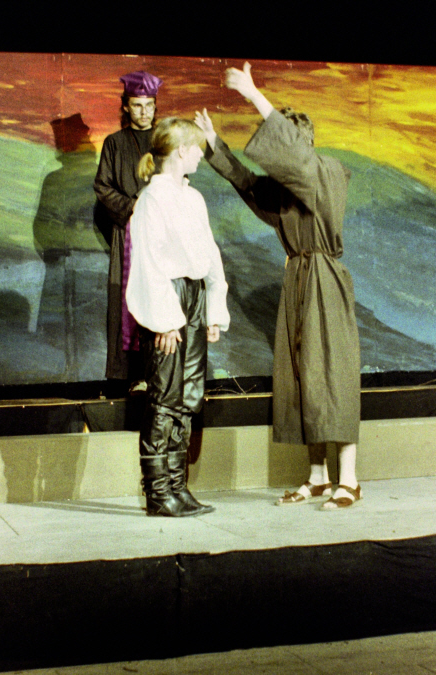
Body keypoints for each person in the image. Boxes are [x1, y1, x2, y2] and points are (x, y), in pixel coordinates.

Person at [195, 62, 361, 510]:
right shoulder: (288, 195)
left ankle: (350, 479)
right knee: (303, 376)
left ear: (301, 145)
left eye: (285, 144)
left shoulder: (327, 173)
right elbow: (249, 184)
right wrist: (214, 145)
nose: (279, 158)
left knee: (333, 375)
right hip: (298, 281)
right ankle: (318, 477)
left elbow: (296, 160)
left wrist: (253, 94)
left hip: (325, 281)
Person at [126, 117, 230, 517]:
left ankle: (177, 485)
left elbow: (209, 252)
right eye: (198, 149)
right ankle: (158, 492)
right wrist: (166, 319)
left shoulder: (193, 197)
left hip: (194, 296)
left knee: (188, 394)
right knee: (165, 395)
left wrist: (213, 307)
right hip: (170, 296)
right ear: (182, 150)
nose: (201, 156)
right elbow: (149, 261)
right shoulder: (152, 199)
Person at [94, 70, 163, 388]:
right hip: (130, 233)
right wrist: (133, 206)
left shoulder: (165, 141)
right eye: (137, 105)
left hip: (161, 235)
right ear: (126, 107)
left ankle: (160, 373)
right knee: (129, 303)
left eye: (149, 105)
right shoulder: (114, 143)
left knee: (162, 299)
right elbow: (103, 187)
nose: (144, 112)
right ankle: (133, 376)